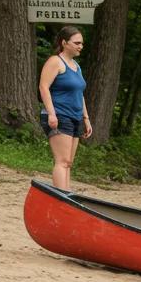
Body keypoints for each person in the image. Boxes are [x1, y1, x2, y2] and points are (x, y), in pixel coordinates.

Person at [39, 26, 92, 192]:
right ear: (64, 43)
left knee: (68, 162)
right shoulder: (55, 61)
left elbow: (79, 93)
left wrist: (86, 118)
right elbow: (43, 87)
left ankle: (67, 196)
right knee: (62, 161)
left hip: (76, 117)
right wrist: (51, 114)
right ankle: (61, 198)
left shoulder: (76, 66)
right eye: (76, 43)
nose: (80, 46)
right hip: (60, 115)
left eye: (81, 43)